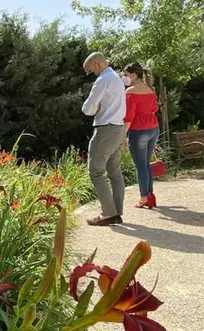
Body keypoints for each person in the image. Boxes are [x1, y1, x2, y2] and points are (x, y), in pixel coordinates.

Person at [81, 52, 127, 226]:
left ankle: (107, 214)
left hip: (106, 130)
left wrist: (94, 110)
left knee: (95, 172)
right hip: (118, 129)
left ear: (98, 63)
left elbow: (87, 107)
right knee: (115, 173)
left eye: (90, 70)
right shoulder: (117, 78)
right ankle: (116, 212)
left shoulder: (103, 80)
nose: (91, 74)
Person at [122, 63, 160, 209]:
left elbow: (129, 116)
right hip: (153, 128)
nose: (124, 78)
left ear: (133, 75)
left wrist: (123, 135)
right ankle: (150, 195)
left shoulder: (130, 92)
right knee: (146, 164)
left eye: (126, 75)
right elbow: (154, 108)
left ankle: (144, 198)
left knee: (140, 165)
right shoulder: (150, 89)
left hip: (139, 130)